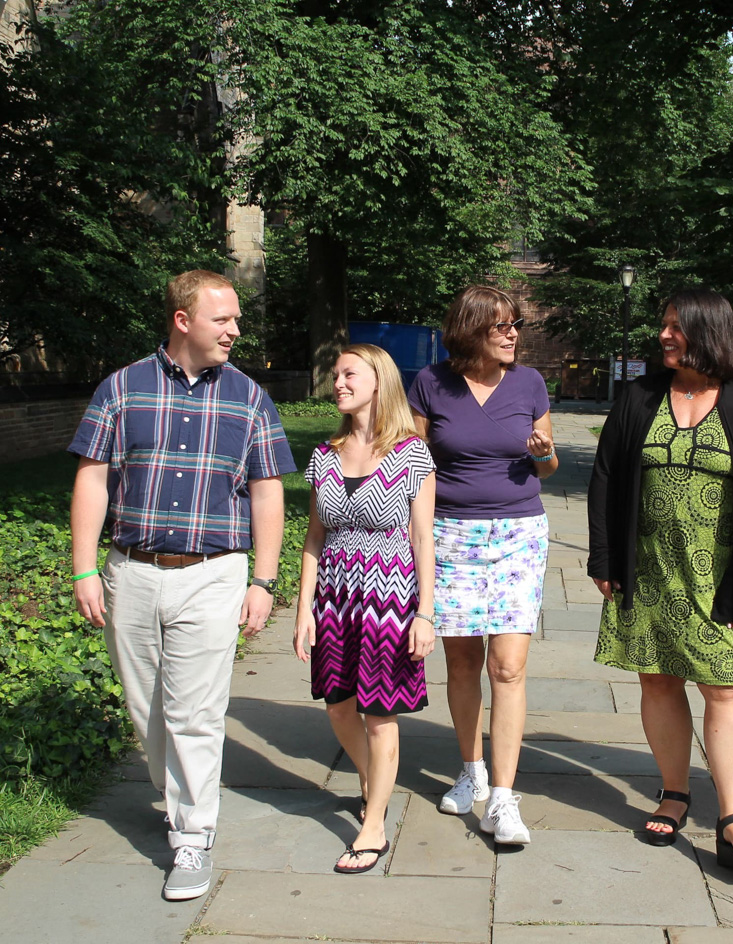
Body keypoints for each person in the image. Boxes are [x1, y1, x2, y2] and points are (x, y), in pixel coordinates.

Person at [69, 270, 295, 901]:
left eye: (237, 319)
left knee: (194, 712)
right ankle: (176, 800)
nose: (236, 330)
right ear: (182, 320)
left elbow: (267, 489)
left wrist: (265, 579)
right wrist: (85, 566)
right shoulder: (122, 388)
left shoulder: (248, 397)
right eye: (223, 319)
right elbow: (93, 478)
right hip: (131, 571)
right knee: (147, 710)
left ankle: (192, 835)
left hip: (213, 573)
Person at [588, 288, 733, 872]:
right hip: (648, 570)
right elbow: (605, 477)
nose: (665, 336)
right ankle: (675, 792)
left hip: (722, 578)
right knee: (658, 683)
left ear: (710, 332)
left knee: (727, 688)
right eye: (664, 326)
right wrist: (605, 558)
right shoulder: (640, 397)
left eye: (677, 327)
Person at [408, 284, 557, 845]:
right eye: (500, 325)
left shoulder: (530, 382)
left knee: (509, 667)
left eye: (514, 323)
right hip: (450, 534)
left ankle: (502, 797)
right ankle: (470, 772)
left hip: (519, 532)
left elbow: (548, 468)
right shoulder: (431, 383)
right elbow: (416, 465)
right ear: (470, 330)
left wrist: (542, 452)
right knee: (464, 661)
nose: (513, 333)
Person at [294, 344, 436, 874]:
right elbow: (313, 538)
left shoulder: (412, 453)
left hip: (388, 601)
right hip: (333, 597)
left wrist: (425, 612)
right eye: (335, 375)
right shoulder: (324, 454)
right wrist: (303, 608)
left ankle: (372, 824)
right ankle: (374, 781)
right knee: (337, 705)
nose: (338, 383)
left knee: (379, 712)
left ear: (379, 380)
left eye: (349, 373)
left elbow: (423, 539)